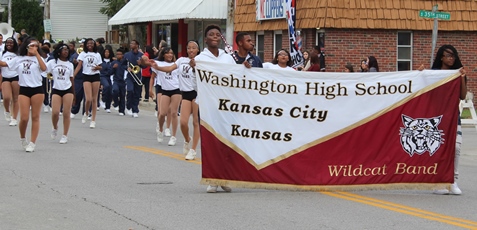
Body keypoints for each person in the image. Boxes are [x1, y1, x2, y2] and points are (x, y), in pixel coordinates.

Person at [189, 24, 234, 193]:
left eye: (218, 34)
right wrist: (194, 70)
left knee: (226, 142)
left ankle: (225, 178)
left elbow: (237, 78)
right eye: (211, 35)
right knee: (211, 142)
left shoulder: (228, 57)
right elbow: (195, 86)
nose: (215, 36)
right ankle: (212, 179)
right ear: (206, 39)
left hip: (227, 104)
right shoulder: (200, 59)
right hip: (208, 106)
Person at [147, 40, 201, 160]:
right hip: (186, 93)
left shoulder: (202, 61)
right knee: (183, 122)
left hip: (198, 94)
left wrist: (195, 67)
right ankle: (187, 139)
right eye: (189, 48)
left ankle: (193, 149)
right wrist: (157, 67)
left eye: (193, 48)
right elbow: (170, 68)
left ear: (198, 50)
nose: (191, 50)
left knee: (196, 122)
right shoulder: (181, 60)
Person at [430, 45, 467, 195]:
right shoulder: (434, 74)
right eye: (448, 56)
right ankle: (438, 182)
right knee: (438, 148)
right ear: (441, 57)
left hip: (453, 116)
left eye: (453, 56)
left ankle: (453, 180)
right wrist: (420, 73)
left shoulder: (457, 73)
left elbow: (463, 96)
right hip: (436, 117)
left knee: (456, 148)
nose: (451, 58)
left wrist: (462, 78)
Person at [0, 37, 47, 152]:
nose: (34, 48)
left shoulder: (39, 58)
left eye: (36, 46)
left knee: (35, 117)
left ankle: (32, 142)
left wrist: (36, 54)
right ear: (26, 46)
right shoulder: (19, 58)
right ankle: (22, 138)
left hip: (37, 89)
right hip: (24, 90)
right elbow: (5, 64)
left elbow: (44, 68)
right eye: (32, 46)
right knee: (24, 118)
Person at [150, 47, 181, 146]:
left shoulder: (176, 64)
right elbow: (151, 74)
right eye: (167, 53)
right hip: (165, 90)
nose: (170, 55)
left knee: (173, 113)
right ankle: (160, 129)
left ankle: (174, 136)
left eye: (171, 53)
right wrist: (150, 89)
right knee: (162, 113)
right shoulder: (158, 64)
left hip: (176, 90)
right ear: (163, 55)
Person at [47, 42, 75, 144]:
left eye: (67, 50)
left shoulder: (70, 65)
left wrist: (74, 94)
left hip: (68, 89)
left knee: (66, 113)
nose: (66, 51)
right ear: (59, 52)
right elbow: (44, 71)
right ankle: (55, 127)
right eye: (64, 50)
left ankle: (64, 135)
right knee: (55, 112)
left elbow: (72, 79)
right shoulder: (52, 62)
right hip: (56, 89)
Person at [73, 38, 102, 128]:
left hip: (95, 76)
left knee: (94, 99)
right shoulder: (83, 54)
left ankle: (93, 120)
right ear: (85, 45)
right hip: (86, 76)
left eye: (91, 43)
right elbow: (79, 65)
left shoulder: (97, 54)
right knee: (88, 99)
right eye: (88, 43)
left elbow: (101, 67)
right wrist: (73, 75)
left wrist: (98, 68)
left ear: (94, 45)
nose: (90, 45)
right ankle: (86, 113)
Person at [122, 40, 144, 118]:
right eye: (131, 43)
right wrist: (126, 68)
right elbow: (122, 64)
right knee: (130, 91)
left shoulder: (141, 55)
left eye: (133, 44)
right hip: (129, 76)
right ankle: (128, 106)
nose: (131, 45)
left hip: (138, 76)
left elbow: (145, 66)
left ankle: (135, 110)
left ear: (137, 45)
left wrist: (141, 64)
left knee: (137, 94)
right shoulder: (127, 55)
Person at [1, 37, 19, 126]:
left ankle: (14, 118)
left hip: (15, 76)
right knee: (7, 97)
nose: (9, 45)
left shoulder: (18, 54)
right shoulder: (2, 53)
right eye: (7, 43)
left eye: (11, 43)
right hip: (5, 77)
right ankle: (7, 110)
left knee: (16, 98)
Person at [111, 48, 127, 116]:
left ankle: (122, 110)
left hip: (123, 81)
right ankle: (116, 102)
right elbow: (110, 72)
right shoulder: (114, 63)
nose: (118, 56)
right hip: (116, 80)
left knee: (122, 95)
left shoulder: (125, 63)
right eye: (117, 54)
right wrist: (113, 68)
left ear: (122, 55)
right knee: (115, 90)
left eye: (119, 54)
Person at [99, 45, 114, 113]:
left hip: (109, 77)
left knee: (110, 91)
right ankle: (103, 99)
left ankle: (108, 107)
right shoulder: (101, 61)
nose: (107, 54)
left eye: (108, 52)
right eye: (105, 52)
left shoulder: (112, 61)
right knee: (106, 86)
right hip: (102, 76)